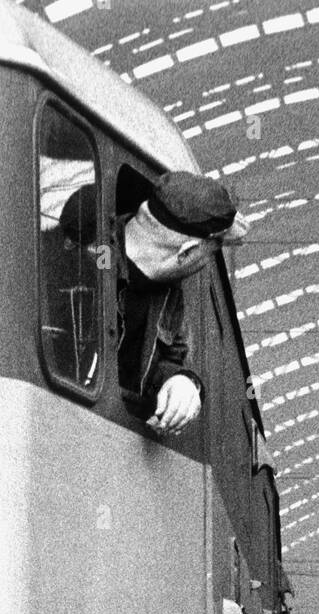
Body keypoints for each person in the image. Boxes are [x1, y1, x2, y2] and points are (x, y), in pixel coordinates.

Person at [60, 171, 248, 436]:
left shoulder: (170, 294)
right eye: (212, 252)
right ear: (188, 252)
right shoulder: (72, 268)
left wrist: (183, 382)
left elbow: (172, 356)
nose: (207, 262)